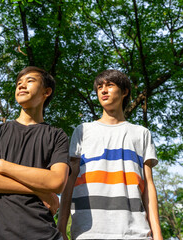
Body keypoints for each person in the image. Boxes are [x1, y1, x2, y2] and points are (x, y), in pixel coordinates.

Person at [0, 66, 70, 240]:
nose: (21, 86)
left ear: (46, 92)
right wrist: (40, 192)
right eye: (19, 83)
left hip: (41, 232)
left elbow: (57, 182)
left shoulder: (57, 135)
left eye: (30, 81)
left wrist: (2, 166)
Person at [58, 69, 163, 240]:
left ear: (125, 92)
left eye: (110, 85)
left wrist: (157, 234)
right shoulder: (82, 131)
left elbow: (149, 186)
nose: (103, 90)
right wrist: (61, 227)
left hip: (135, 232)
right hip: (88, 232)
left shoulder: (141, 133)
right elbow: (69, 181)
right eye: (99, 87)